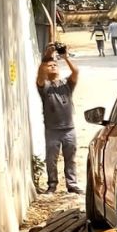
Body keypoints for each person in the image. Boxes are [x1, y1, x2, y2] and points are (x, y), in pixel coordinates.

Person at [37, 42, 81, 193]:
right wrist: (47, 56)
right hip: (52, 130)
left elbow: (75, 72)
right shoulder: (45, 87)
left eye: (55, 65)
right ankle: (52, 185)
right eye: (49, 66)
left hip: (69, 128)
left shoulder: (66, 84)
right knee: (52, 159)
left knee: (71, 158)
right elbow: (40, 75)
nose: (53, 67)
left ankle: (72, 184)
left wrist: (65, 57)